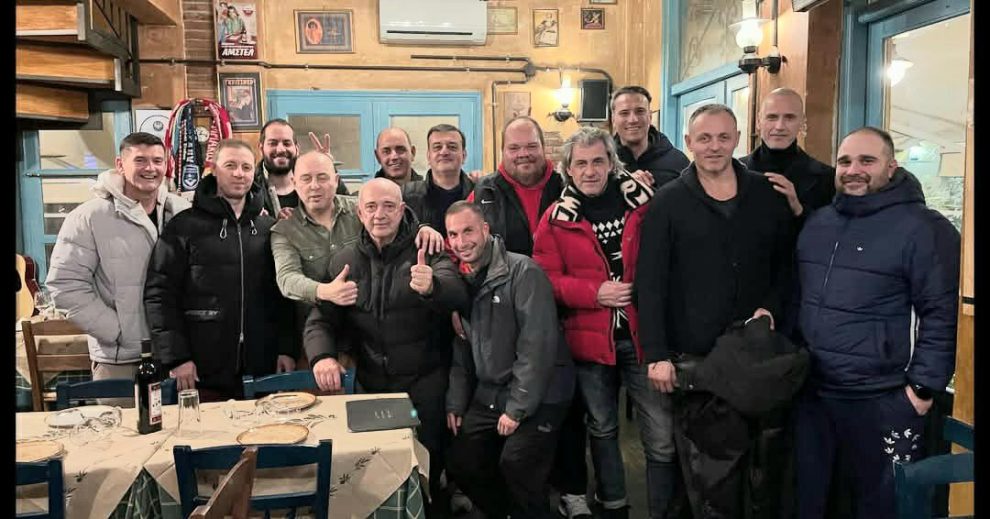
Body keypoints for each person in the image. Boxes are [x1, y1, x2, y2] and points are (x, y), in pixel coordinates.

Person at [636, 104, 795, 517]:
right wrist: (656, 355)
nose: (714, 146)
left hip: (755, 353)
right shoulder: (667, 203)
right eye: (704, 138)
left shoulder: (765, 193)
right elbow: (650, 284)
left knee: (762, 470)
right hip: (696, 357)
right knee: (707, 474)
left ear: (738, 139)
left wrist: (771, 308)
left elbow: (787, 265)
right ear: (689, 142)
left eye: (724, 137)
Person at [793, 127, 959, 519]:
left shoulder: (925, 228)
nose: (854, 170)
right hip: (817, 395)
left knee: (883, 506)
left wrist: (922, 388)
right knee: (816, 502)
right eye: (845, 161)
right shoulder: (819, 223)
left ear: (891, 166)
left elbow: (942, 313)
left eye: (867, 161)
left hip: (884, 398)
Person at [304, 178, 468, 518]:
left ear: (402, 210)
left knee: (427, 471)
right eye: (371, 207)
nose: (380, 214)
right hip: (371, 387)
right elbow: (320, 319)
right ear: (360, 213)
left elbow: (457, 291)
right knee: (372, 475)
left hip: (424, 387)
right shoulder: (344, 260)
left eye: (389, 206)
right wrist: (322, 357)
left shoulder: (427, 249)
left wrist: (432, 286)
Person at [533, 127, 676, 519]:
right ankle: (613, 504)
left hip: (644, 337)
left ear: (612, 163)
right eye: (580, 163)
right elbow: (546, 279)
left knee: (660, 434)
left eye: (598, 161)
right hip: (588, 342)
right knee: (602, 428)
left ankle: (663, 510)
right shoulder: (555, 219)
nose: (590, 170)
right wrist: (594, 292)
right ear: (567, 169)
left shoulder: (645, 203)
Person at [471, 115, 590, 517]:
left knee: (567, 408)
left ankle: (572, 488)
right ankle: (520, 490)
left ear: (544, 147)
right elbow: (467, 246)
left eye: (530, 146)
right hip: (507, 316)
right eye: (514, 147)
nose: (523, 154)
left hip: (570, 311)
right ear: (502, 151)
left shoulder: (568, 183)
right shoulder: (484, 190)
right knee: (520, 405)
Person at [444, 201, 575, 519]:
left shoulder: (523, 272)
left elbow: (536, 347)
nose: (461, 242)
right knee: (461, 461)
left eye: (468, 231)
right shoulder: (461, 282)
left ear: (485, 229)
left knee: (518, 465)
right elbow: (462, 350)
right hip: (492, 393)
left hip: (541, 392)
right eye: (453, 234)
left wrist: (517, 408)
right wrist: (456, 403)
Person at [145, 139, 296, 402]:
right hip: (201, 369)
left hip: (262, 367)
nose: (239, 173)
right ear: (214, 170)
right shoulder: (183, 227)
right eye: (230, 166)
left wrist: (287, 349)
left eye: (246, 167)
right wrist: (177, 357)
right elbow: (160, 294)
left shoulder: (269, 229)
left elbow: (283, 296)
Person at [47, 132, 191, 406]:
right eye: (140, 160)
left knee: (182, 430)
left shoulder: (181, 211)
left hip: (176, 356)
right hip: (120, 360)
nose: (150, 168)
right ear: (120, 164)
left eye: (157, 160)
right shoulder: (88, 217)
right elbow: (65, 286)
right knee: (120, 431)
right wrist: (117, 331)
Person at [271, 151, 444, 365]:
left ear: (336, 181)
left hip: (364, 343)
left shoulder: (359, 208)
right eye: (306, 179)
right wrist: (325, 291)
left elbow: (395, 215)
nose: (314, 186)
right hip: (316, 339)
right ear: (294, 183)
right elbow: (287, 279)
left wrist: (422, 228)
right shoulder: (284, 230)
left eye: (322, 177)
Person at [741, 87, 836, 222]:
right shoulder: (734, 171)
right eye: (772, 117)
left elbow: (831, 230)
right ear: (758, 122)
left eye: (789, 118)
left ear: (802, 122)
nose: (779, 126)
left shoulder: (827, 178)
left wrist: (799, 210)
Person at [255, 119, 349, 221]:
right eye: (273, 143)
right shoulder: (251, 188)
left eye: (287, 143)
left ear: (297, 149)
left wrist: (327, 167)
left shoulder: (312, 181)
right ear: (261, 148)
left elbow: (348, 206)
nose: (281, 149)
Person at [402, 124, 476, 236]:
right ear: (428, 156)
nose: (444, 152)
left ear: (464, 155)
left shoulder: (479, 193)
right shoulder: (407, 195)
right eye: (437, 147)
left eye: (452, 147)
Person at [611, 86, 689, 185]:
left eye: (640, 111)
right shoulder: (603, 161)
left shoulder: (678, 161)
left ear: (650, 116)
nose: (633, 120)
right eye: (624, 113)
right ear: (613, 119)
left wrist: (654, 190)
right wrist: (624, 185)